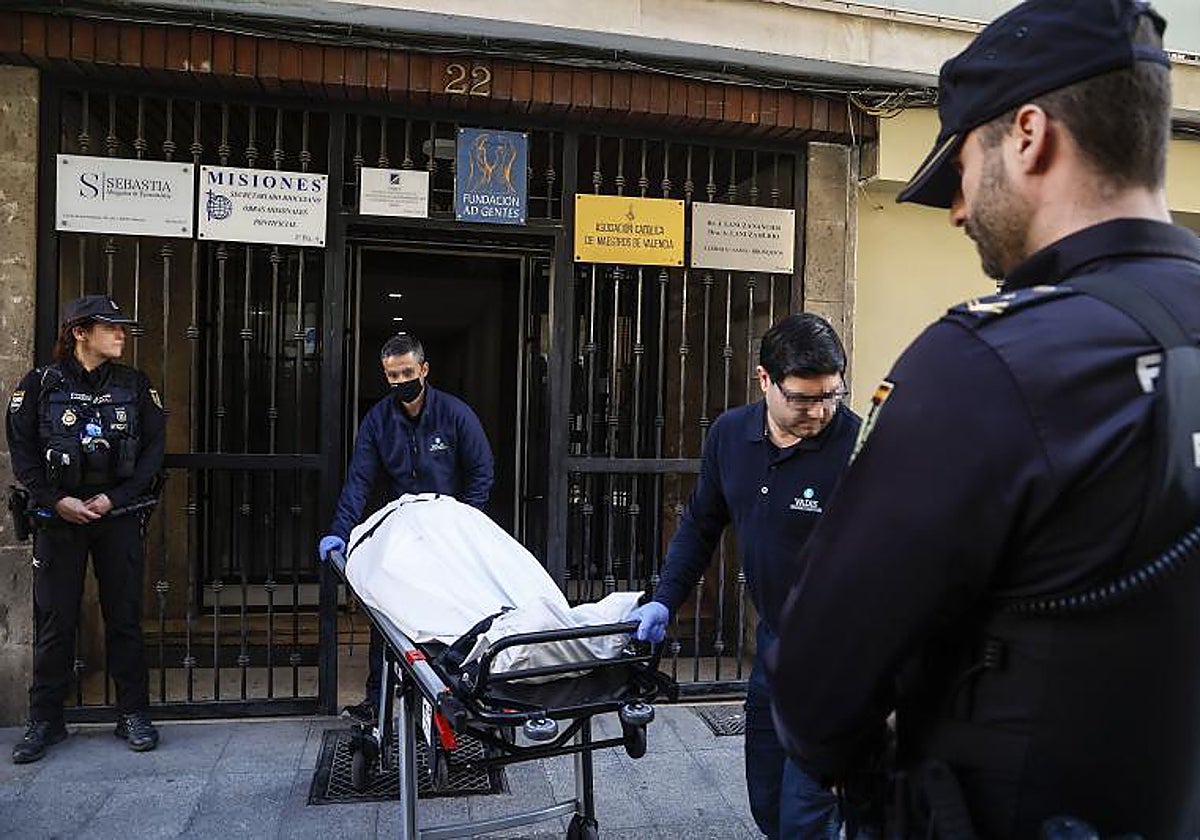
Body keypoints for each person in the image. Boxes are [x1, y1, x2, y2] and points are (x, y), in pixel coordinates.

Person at [767, 1, 1200, 837]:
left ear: (1029, 135)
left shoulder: (988, 364)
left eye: (962, 165)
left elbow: (817, 690)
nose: (958, 209)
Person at [627, 313, 860, 839]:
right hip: (774, 647)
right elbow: (700, 525)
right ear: (763, 380)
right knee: (769, 806)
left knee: (807, 816)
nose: (819, 411)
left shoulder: (857, 449)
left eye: (831, 396)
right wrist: (666, 599)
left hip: (838, 658)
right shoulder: (730, 436)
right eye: (803, 398)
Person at [6, 294, 166, 763]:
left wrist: (113, 498)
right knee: (55, 620)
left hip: (116, 518)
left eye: (122, 327)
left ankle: (133, 714)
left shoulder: (136, 386)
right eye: (110, 326)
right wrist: (58, 500)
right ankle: (45, 721)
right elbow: (24, 454)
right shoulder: (39, 385)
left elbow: (153, 453)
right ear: (80, 332)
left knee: (125, 618)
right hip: (58, 521)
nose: (121, 334)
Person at [318, 332, 494, 723]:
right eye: (392, 375)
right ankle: (376, 700)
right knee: (387, 611)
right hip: (403, 530)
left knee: (453, 614)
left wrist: (465, 522)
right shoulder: (378, 420)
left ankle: (453, 698)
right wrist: (340, 532)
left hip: (449, 531)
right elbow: (359, 481)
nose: (400, 381)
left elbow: (481, 471)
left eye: (407, 372)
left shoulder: (455, 414)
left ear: (424, 369)